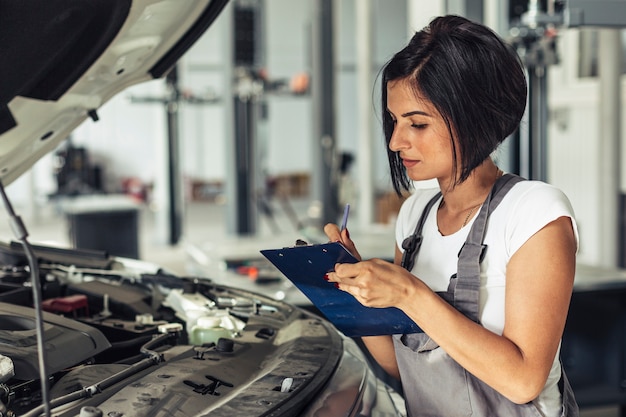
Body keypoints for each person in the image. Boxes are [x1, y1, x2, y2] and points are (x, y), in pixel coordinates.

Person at [324, 15, 579, 417]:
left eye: (417, 123)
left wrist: (409, 292)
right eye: (393, 121)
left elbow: (523, 380)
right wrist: (350, 285)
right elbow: (400, 364)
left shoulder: (534, 213)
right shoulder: (414, 218)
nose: (395, 141)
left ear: (472, 116)